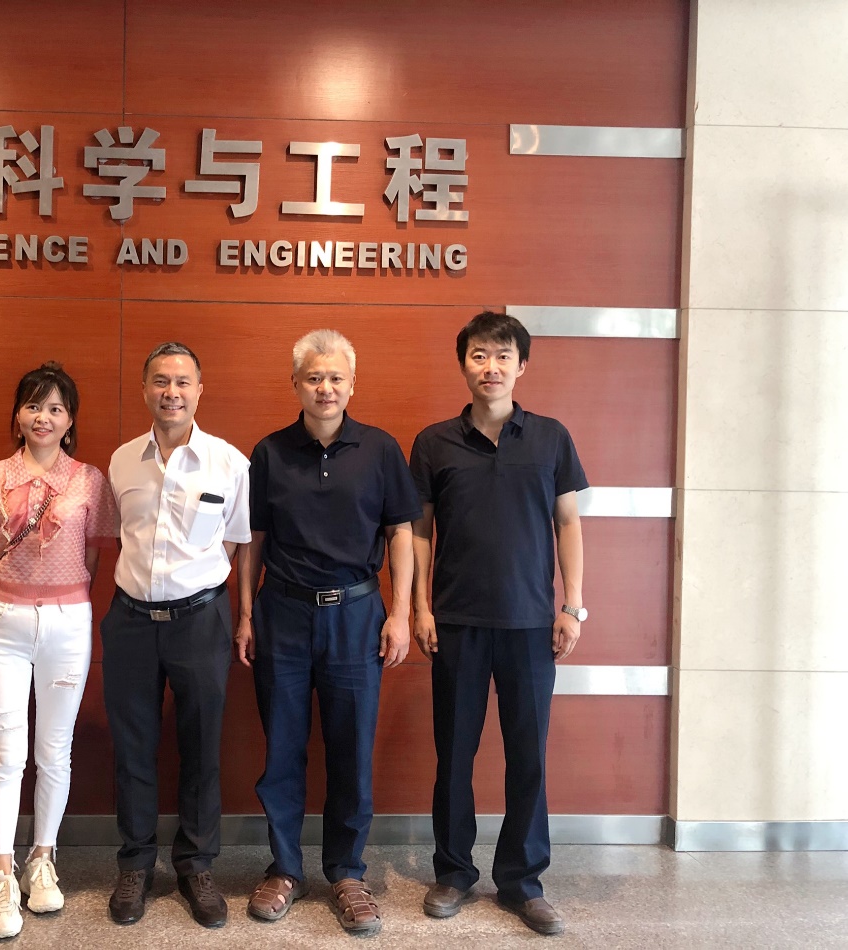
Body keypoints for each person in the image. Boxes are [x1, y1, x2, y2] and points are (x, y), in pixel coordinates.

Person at [236, 329, 419, 936]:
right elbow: (253, 539)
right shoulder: (269, 453)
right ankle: (285, 869)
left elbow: (400, 532)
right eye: (314, 377)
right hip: (283, 614)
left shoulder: (380, 449)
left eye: (336, 377)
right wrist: (246, 613)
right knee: (282, 749)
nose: (325, 388)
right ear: (295, 383)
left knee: (352, 749)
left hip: (356, 615)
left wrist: (399, 613)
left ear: (352, 384)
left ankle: (346, 872)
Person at [410, 311, 586, 936]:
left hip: (531, 625)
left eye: (503, 356)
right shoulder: (434, 442)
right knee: (454, 754)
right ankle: (453, 871)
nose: (491, 366)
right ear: (464, 364)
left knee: (527, 757)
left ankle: (522, 881)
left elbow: (569, 523)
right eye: (479, 355)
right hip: (456, 622)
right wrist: (420, 606)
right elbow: (420, 531)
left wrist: (572, 606)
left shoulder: (551, 438)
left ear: (521, 366)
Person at [0, 362, 118, 939]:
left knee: (55, 751)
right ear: (18, 415)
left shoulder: (91, 480)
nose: (43, 417)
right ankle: (1, 875)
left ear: (70, 420)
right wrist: (14, 586)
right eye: (33, 406)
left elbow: (93, 553)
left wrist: (60, 591)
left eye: (55, 408)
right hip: (2, 621)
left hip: (68, 623)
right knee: (5, 754)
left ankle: (42, 858)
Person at [101, 341, 251, 929]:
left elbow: (236, 541)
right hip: (131, 621)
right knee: (133, 746)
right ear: (145, 390)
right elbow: (116, 535)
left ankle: (196, 865)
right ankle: (136, 862)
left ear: (199, 390)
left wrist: (209, 595)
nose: (172, 392)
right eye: (161, 381)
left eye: (183, 382)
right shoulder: (121, 462)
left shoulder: (229, 463)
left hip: (200, 620)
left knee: (202, 745)